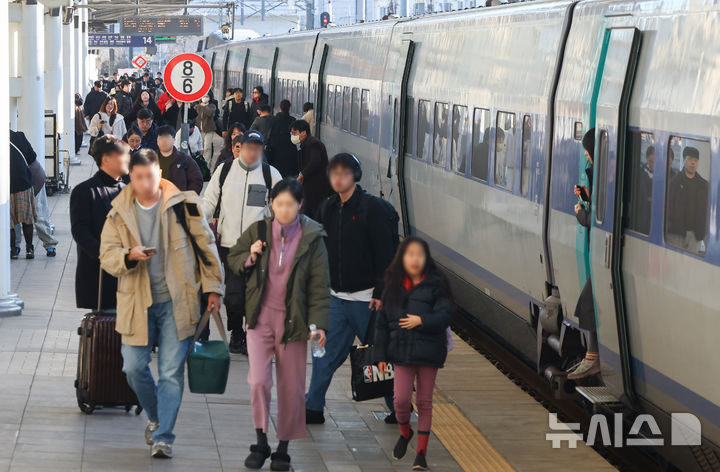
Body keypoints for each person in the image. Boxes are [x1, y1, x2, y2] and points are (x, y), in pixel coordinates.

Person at [99, 149, 224, 459]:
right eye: (138, 177)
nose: (145, 183)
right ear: (131, 177)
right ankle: (155, 417)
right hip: (137, 303)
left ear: (160, 174)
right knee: (133, 367)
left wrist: (213, 288)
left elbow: (207, 247)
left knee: (170, 372)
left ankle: (164, 437)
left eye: (150, 176)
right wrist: (128, 255)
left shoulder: (185, 205)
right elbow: (107, 255)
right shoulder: (118, 211)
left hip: (177, 301)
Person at [227, 178, 330, 471]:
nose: (284, 210)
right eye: (279, 204)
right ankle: (261, 441)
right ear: (271, 204)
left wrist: (318, 325)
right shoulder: (258, 230)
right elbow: (233, 258)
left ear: (300, 205)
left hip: (294, 322)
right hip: (260, 318)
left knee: (292, 387)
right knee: (258, 381)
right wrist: (250, 256)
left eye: (290, 204)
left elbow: (320, 286)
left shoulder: (312, 238)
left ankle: (283, 448)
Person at [305, 153, 397, 424]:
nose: (338, 178)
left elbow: (385, 254)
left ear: (355, 176)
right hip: (335, 299)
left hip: (367, 300)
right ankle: (313, 407)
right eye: (334, 173)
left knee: (380, 357)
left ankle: (398, 408)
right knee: (322, 353)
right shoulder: (327, 208)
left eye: (344, 173)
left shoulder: (372, 209)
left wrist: (381, 292)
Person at [374, 237, 454, 471]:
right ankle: (405, 432)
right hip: (401, 353)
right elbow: (382, 325)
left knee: (424, 402)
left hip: (429, 353)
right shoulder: (392, 286)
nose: (415, 259)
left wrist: (422, 321)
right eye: (410, 255)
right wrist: (380, 356)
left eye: (420, 254)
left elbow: (445, 315)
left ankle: (421, 454)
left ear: (426, 258)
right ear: (402, 258)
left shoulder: (438, 285)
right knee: (400, 400)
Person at [202, 131, 282, 354]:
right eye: (248, 147)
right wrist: (196, 218)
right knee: (234, 296)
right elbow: (209, 202)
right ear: (240, 148)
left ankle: (250, 336)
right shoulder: (225, 170)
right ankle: (236, 332)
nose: (252, 152)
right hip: (230, 245)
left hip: (259, 246)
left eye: (257, 148)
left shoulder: (270, 174)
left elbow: (282, 207)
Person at [70, 135, 130, 309]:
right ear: (106, 159)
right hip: (99, 273)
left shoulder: (127, 191)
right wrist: (106, 255)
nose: (128, 158)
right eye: (122, 154)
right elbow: (80, 231)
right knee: (105, 321)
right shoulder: (84, 191)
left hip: (127, 273)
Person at [567, 129, 600, 380]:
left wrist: (580, 213)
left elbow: (596, 220)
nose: (587, 158)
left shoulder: (606, 176)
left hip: (604, 255)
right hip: (601, 255)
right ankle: (592, 355)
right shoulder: (605, 174)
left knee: (587, 304)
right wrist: (589, 196)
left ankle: (593, 357)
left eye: (589, 153)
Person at [11, 130, 58, 257]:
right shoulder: (18, 136)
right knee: (14, 216)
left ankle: (50, 244)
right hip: (17, 183)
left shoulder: (17, 137)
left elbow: (30, 157)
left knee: (38, 214)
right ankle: (16, 246)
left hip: (33, 179)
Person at [665, 146, 709, 254]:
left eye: (696, 160)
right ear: (684, 160)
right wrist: (671, 226)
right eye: (690, 159)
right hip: (676, 234)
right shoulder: (674, 183)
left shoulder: (704, 185)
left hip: (695, 235)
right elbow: (668, 208)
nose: (693, 163)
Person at [291, 120, 332, 218]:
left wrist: (302, 174)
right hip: (312, 186)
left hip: (316, 186)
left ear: (303, 133)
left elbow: (315, 162)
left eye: (294, 133)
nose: (292, 136)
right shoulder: (307, 143)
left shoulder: (313, 144)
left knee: (312, 212)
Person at [9, 130, 37, 260]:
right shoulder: (19, 136)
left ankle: (13, 250)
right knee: (27, 219)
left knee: (9, 223)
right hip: (23, 184)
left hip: (6, 189)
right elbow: (32, 157)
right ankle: (29, 249)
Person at [156, 125, 203, 194]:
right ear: (157, 141)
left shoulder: (183, 159)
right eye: (161, 138)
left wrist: (187, 196)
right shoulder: (150, 159)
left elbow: (197, 180)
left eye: (167, 138)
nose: (164, 141)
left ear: (174, 140)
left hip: (178, 198)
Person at [267, 100, 297, 178]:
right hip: (289, 149)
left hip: (275, 150)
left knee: (276, 174)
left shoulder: (272, 120)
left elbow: (268, 135)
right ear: (289, 108)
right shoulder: (293, 120)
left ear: (280, 107)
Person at [196, 94, 223, 170]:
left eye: (207, 96)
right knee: (200, 148)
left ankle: (207, 165)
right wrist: (199, 106)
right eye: (204, 96)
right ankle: (200, 164)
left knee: (207, 147)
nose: (205, 98)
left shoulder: (212, 106)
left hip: (209, 130)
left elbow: (210, 113)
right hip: (199, 130)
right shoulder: (198, 106)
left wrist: (204, 106)